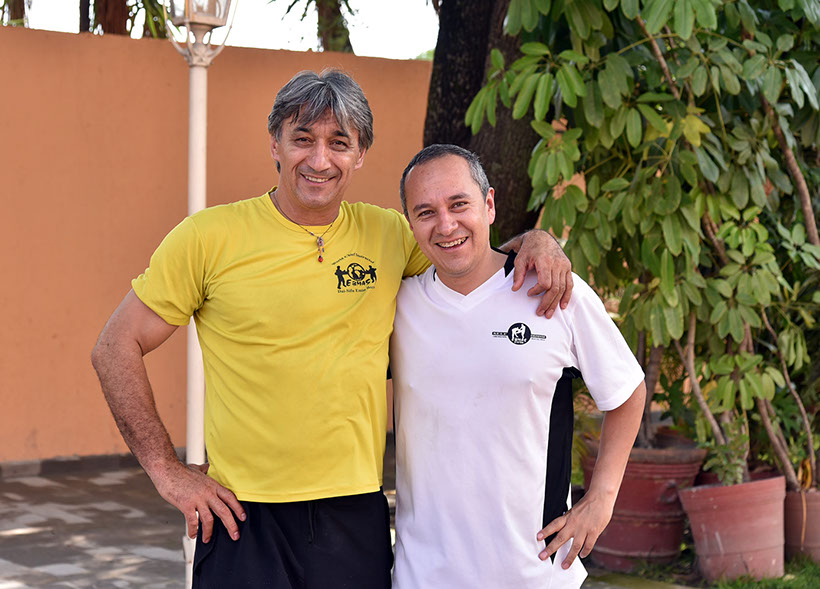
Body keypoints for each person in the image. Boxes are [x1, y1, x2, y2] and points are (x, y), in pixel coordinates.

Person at [90, 70, 572, 588]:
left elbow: (468, 260)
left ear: (360, 154)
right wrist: (167, 473)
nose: (320, 160)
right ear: (274, 144)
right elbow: (115, 346)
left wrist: (536, 241)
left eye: (339, 143)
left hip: (353, 516)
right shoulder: (208, 238)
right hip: (242, 517)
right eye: (303, 139)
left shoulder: (389, 234)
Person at [390, 144, 646, 589]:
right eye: (425, 212)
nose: (446, 225)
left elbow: (626, 390)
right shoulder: (397, 305)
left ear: (489, 205)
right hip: (422, 575)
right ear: (410, 224)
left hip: (535, 572)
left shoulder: (554, 290)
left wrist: (602, 497)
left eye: (459, 204)